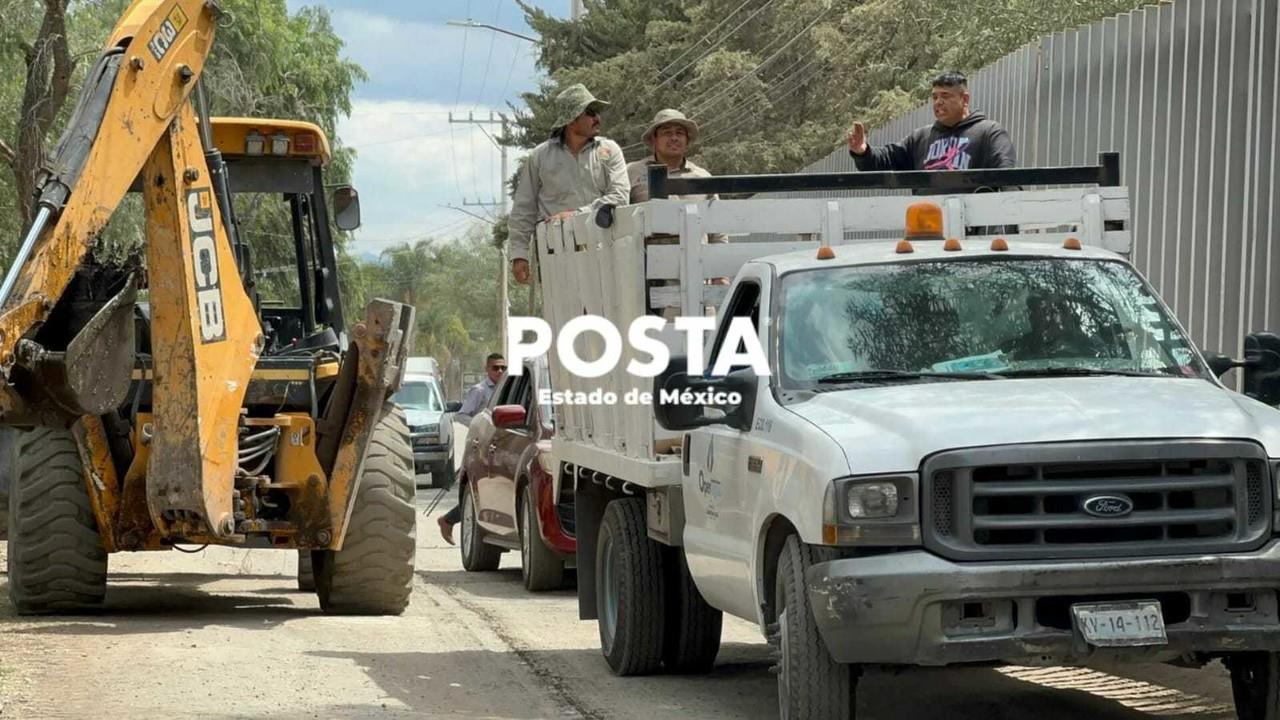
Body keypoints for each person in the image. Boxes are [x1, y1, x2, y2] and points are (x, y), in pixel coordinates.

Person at [508, 84, 630, 285]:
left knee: (606, 311)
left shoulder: (610, 150)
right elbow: (524, 208)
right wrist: (519, 254)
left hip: (605, 247)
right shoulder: (540, 156)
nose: (597, 118)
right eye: (590, 113)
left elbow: (620, 196)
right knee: (562, 313)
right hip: (557, 252)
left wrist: (576, 214)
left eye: (597, 113)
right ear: (571, 119)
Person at [846, 71, 1016, 171]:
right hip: (929, 227)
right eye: (934, 97)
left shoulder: (989, 133)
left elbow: (1007, 177)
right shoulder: (921, 138)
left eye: (945, 96)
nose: (938, 102)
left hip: (972, 226)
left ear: (964, 99)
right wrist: (862, 151)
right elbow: (884, 161)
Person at [437, 353, 507, 545]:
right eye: (495, 368)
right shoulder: (479, 391)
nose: (499, 371)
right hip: (481, 445)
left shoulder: (507, 389)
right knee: (482, 491)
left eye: (503, 368)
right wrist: (482, 427)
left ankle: (449, 519)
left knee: (493, 492)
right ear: (487, 369)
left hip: (501, 445)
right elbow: (461, 415)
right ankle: (449, 519)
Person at [625, 108, 716, 203]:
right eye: (667, 133)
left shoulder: (703, 177)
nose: (674, 138)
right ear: (654, 140)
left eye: (679, 133)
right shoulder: (631, 172)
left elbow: (716, 214)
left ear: (687, 140)